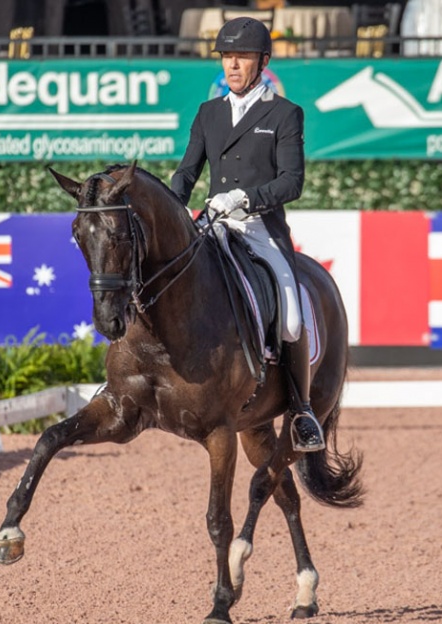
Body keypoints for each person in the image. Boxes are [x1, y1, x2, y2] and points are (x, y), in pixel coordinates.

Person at [171, 16, 324, 452]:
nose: (232, 65)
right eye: (227, 57)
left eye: (241, 57)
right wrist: (171, 204)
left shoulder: (283, 114)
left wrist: (245, 198)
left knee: (292, 318)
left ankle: (302, 409)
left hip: (259, 228)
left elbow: (292, 182)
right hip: (214, 224)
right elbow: (187, 172)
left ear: (262, 62)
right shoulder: (209, 113)